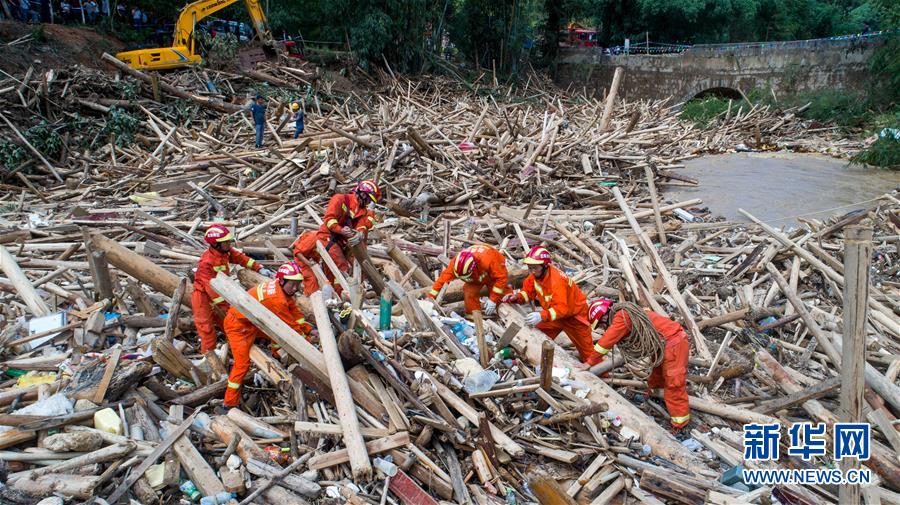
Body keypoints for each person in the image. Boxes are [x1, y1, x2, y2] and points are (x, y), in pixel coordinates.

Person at [588, 298, 691, 434]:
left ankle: (681, 425)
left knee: (674, 384)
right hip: (662, 344)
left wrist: (589, 362)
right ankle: (656, 398)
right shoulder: (624, 314)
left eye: (601, 324)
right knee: (657, 376)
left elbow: (606, 342)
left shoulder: (622, 317)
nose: (603, 327)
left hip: (673, 343)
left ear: (605, 315)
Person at [222, 262, 313, 408]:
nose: (296, 288)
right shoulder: (277, 299)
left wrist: (308, 329)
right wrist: (307, 341)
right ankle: (229, 403)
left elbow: (294, 311)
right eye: (293, 284)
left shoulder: (281, 289)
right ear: (282, 280)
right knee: (242, 365)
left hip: (252, 322)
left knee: (274, 335)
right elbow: (290, 328)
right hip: (238, 326)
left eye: (298, 284)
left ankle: (277, 356)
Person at [501, 245, 597, 364]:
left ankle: (601, 373)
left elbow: (562, 308)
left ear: (545, 265)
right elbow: (528, 293)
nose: (532, 271)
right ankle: (535, 361)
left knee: (589, 355)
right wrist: (515, 297)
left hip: (575, 318)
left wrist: (541, 316)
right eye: (529, 268)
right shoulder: (535, 276)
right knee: (535, 337)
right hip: (554, 315)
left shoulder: (557, 281)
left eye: (535, 268)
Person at [192, 224, 272, 354]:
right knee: (206, 328)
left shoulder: (225, 251)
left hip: (220, 291)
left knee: (227, 323)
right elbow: (212, 289)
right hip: (203, 296)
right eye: (226, 242)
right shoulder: (206, 262)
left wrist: (259, 268)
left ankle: (235, 346)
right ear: (216, 244)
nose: (229, 243)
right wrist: (228, 307)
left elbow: (241, 258)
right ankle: (209, 357)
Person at [316, 180, 380, 280]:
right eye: (368, 199)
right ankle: (342, 287)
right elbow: (329, 219)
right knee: (342, 267)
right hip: (327, 237)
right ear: (362, 194)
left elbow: (363, 225)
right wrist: (340, 230)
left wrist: (360, 233)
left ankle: (359, 285)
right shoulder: (339, 199)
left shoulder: (362, 211)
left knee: (359, 266)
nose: (368, 202)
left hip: (343, 242)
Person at [428, 244, 508, 316]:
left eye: (465, 277)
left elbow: (501, 278)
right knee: (469, 293)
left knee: (503, 295)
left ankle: (508, 313)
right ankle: (473, 320)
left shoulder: (490, 259)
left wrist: (493, 299)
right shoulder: (456, 264)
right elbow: (441, 281)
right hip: (475, 278)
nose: (464, 279)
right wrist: (430, 298)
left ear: (473, 268)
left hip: (490, 273)